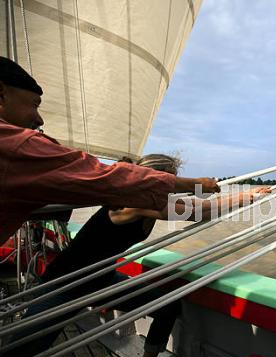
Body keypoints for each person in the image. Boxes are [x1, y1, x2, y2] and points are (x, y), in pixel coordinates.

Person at [0, 154, 270, 357]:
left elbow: (197, 208)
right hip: (65, 284)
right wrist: (242, 197)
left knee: (167, 305)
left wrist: (249, 195)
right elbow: (195, 211)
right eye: (168, 182)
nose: (170, 188)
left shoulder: (151, 204)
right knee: (23, 354)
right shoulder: (126, 205)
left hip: (100, 280)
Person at [0, 56, 220, 245]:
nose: (39, 119)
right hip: (75, 287)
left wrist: (244, 196)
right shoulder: (15, 145)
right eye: (34, 105)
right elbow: (111, 178)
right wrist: (196, 184)